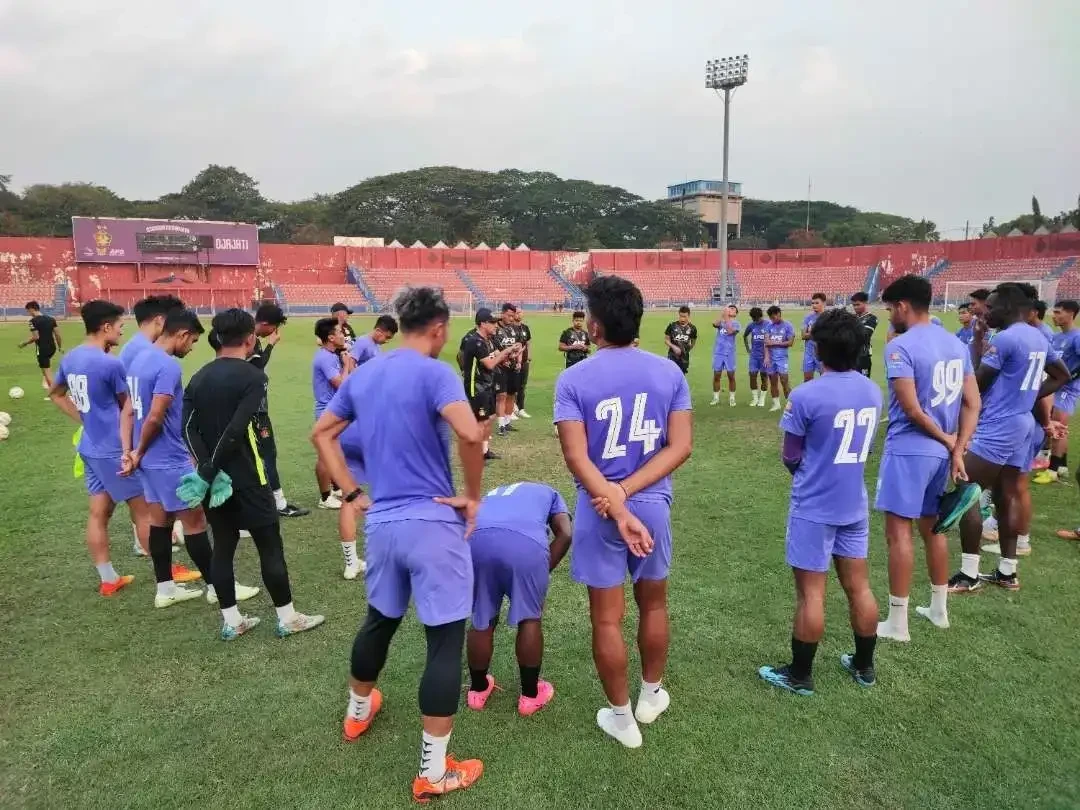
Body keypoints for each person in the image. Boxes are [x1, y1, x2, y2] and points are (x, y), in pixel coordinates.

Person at [310, 287, 487, 802]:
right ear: (436, 328)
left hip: (383, 525)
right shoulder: (435, 372)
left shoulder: (365, 373)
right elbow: (471, 436)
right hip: (432, 522)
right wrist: (472, 497)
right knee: (444, 641)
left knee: (379, 622)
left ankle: (358, 713)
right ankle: (432, 773)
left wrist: (352, 492)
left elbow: (322, 434)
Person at [554, 275, 693, 749]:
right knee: (654, 603)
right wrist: (630, 492)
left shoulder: (573, 378)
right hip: (651, 505)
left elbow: (576, 457)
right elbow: (681, 447)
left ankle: (621, 718)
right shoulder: (669, 372)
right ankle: (650, 695)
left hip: (598, 510)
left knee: (606, 619)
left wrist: (614, 498)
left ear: (593, 327)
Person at [758, 308, 882, 696]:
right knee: (859, 587)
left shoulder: (806, 394)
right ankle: (864, 667)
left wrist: (810, 472)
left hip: (814, 504)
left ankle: (799, 675)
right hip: (853, 502)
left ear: (819, 348)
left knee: (811, 593)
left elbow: (790, 456)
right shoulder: (871, 390)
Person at [182, 308, 324, 641]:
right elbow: (235, 429)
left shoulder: (198, 377)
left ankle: (232, 621)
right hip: (249, 479)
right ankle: (287, 618)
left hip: (214, 485)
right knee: (269, 547)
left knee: (223, 547)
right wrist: (212, 467)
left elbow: (186, 429)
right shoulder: (254, 377)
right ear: (250, 339)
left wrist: (206, 470)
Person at [122, 309, 264, 610]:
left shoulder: (138, 360)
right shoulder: (167, 366)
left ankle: (165, 588)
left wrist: (131, 451)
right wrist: (141, 450)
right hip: (168, 457)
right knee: (196, 522)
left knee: (160, 520)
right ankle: (217, 587)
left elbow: (129, 411)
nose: (192, 348)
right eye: (193, 341)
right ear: (183, 334)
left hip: (148, 460)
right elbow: (156, 415)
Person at [873, 275, 980, 642]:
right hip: (941, 452)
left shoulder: (900, 347)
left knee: (898, 532)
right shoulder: (955, 344)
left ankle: (897, 622)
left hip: (910, 448)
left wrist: (948, 439)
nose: (889, 315)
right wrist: (957, 446)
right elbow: (973, 402)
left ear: (903, 305)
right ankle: (938, 609)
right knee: (933, 526)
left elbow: (912, 409)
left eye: (890, 308)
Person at [949, 283, 1070, 593]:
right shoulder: (1037, 336)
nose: (986, 312)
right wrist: (1027, 398)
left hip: (999, 425)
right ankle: (1007, 571)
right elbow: (1061, 375)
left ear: (1008, 307)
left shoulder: (1006, 338)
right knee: (1008, 494)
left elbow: (977, 383)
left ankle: (969, 574)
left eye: (991, 307)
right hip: (1023, 425)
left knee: (967, 490)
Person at [48, 300, 146, 597]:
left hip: (90, 446)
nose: (122, 329)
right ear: (106, 327)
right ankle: (167, 573)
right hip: (114, 449)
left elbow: (56, 394)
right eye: (119, 325)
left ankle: (108, 578)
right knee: (144, 513)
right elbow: (126, 408)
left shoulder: (72, 358)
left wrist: (85, 418)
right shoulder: (110, 363)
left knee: (98, 513)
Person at [465, 481, 572, 717]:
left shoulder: (493, 493)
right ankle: (530, 696)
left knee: (481, 616)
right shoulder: (551, 493)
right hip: (523, 544)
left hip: (475, 541)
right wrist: (540, 571)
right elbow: (565, 533)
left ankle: (478, 691)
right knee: (530, 617)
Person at [117, 294, 187, 558]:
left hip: (139, 438)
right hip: (148, 442)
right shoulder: (145, 352)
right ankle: (147, 544)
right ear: (160, 320)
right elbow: (133, 406)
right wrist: (135, 448)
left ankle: (150, 545)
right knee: (151, 505)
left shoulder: (137, 347)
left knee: (150, 502)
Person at [249, 303, 308, 519]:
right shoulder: (250, 339)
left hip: (252, 409)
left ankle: (268, 501)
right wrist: (271, 345)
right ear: (264, 324)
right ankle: (278, 503)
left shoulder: (243, 336)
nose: (273, 333)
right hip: (256, 412)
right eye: (272, 328)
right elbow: (256, 368)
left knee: (257, 456)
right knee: (267, 455)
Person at [459, 308, 518, 462]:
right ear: (483, 324)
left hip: (487, 385)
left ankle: (484, 451)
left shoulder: (488, 341)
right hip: (476, 386)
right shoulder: (475, 341)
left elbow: (497, 356)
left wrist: (510, 353)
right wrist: (505, 353)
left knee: (490, 418)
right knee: (481, 420)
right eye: (492, 323)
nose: (495, 325)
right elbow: (490, 364)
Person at [1033, 300, 1080, 485]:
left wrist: (1068, 377)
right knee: (1057, 425)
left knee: (1059, 427)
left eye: (1059, 312)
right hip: (1056, 387)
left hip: (1068, 389)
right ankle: (1061, 466)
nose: (1054, 315)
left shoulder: (1076, 337)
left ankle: (1052, 471)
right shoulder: (1057, 337)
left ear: (1071, 314)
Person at [312, 318, 348, 509]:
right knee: (325, 455)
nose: (343, 335)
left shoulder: (332, 354)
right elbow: (341, 385)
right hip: (326, 410)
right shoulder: (325, 358)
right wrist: (347, 365)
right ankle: (325, 497)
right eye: (340, 332)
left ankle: (334, 488)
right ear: (331, 337)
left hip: (333, 409)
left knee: (334, 451)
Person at [494, 304, 523, 437]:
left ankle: (507, 422)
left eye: (513, 316)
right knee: (502, 396)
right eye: (509, 315)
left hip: (512, 366)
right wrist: (501, 359)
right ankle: (500, 426)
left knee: (512, 394)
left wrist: (518, 361)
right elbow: (492, 349)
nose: (511, 318)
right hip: (499, 367)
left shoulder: (514, 330)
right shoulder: (495, 329)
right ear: (502, 314)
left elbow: (520, 345)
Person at [19, 300, 61, 392]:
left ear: (31, 309)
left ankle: (55, 392)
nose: (28, 313)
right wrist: (59, 346)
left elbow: (36, 337)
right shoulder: (51, 319)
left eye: (28, 311)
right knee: (45, 368)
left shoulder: (32, 321)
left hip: (42, 349)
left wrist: (25, 343)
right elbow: (57, 334)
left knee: (47, 371)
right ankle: (49, 383)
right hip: (52, 348)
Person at [763, 306, 795, 412]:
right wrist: (766, 357)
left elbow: (790, 343)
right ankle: (776, 404)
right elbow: (766, 343)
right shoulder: (769, 326)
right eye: (770, 318)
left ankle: (790, 404)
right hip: (771, 359)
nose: (772, 320)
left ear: (779, 314)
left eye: (773, 317)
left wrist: (775, 343)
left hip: (782, 358)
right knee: (773, 381)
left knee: (784, 380)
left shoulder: (788, 326)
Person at [710, 304, 740, 406]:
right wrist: (722, 315)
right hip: (718, 352)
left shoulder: (737, 324)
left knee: (731, 376)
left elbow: (730, 331)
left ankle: (732, 398)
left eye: (733, 309)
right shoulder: (721, 322)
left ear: (735, 313)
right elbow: (714, 323)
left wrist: (726, 317)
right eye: (729, 308)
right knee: (716, 375)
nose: (730, 310)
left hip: (729, 353)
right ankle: (716, 398)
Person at [743, 307, 769, 407]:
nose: (755, 320)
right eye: (754, 319)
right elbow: (745, 336)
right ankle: (755, 398)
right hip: (754, 356)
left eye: (757, 319)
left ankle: (762, 399)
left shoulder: (768, 324)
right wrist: (748, 349)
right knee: (752, 375)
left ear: (760, 316)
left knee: (763, 376)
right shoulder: (751, 325)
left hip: (764, 355)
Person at [849, 292, 878, 377]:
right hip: (850, 356)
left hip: (863, 356)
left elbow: (865, 335)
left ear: (865, 303)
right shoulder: (852, 318)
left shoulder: (871, 318)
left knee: (863, 383)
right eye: (854, 305)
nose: (855, 307)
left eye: (858, 304)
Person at [663, 305, 697, 375]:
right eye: (681, 316)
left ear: (689, 316)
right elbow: (666, 340)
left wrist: (687, 350)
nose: (682, 319)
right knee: (672, 376)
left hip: (684, 359)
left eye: (685, 316)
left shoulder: (693, 328)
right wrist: (673, 347)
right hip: (672, 357)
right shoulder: (672, 326)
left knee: (682, 377)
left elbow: (693, 342)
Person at [801, 293, 827, 382]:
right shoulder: (808, 318)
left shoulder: (828, 317)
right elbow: (803, 336)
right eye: (812, 303)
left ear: (824, 303)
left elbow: (830, 335)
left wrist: (811, 332)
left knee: (825, 379)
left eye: (817, 303)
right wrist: (819, 332)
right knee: (807, 379)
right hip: (809, 353)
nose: (814, 305)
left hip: (824, 353)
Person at [513, 308, 533, 419]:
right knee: (513, 385)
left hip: (524, 360)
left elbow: (528, 342)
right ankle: (512, 408)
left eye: (521, 312)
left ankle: (521, 408)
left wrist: (529, 355)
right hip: (512, 360)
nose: (519, 314)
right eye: (517, 312)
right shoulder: (510, 328)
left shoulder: (525, 328)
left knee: (522, 385)